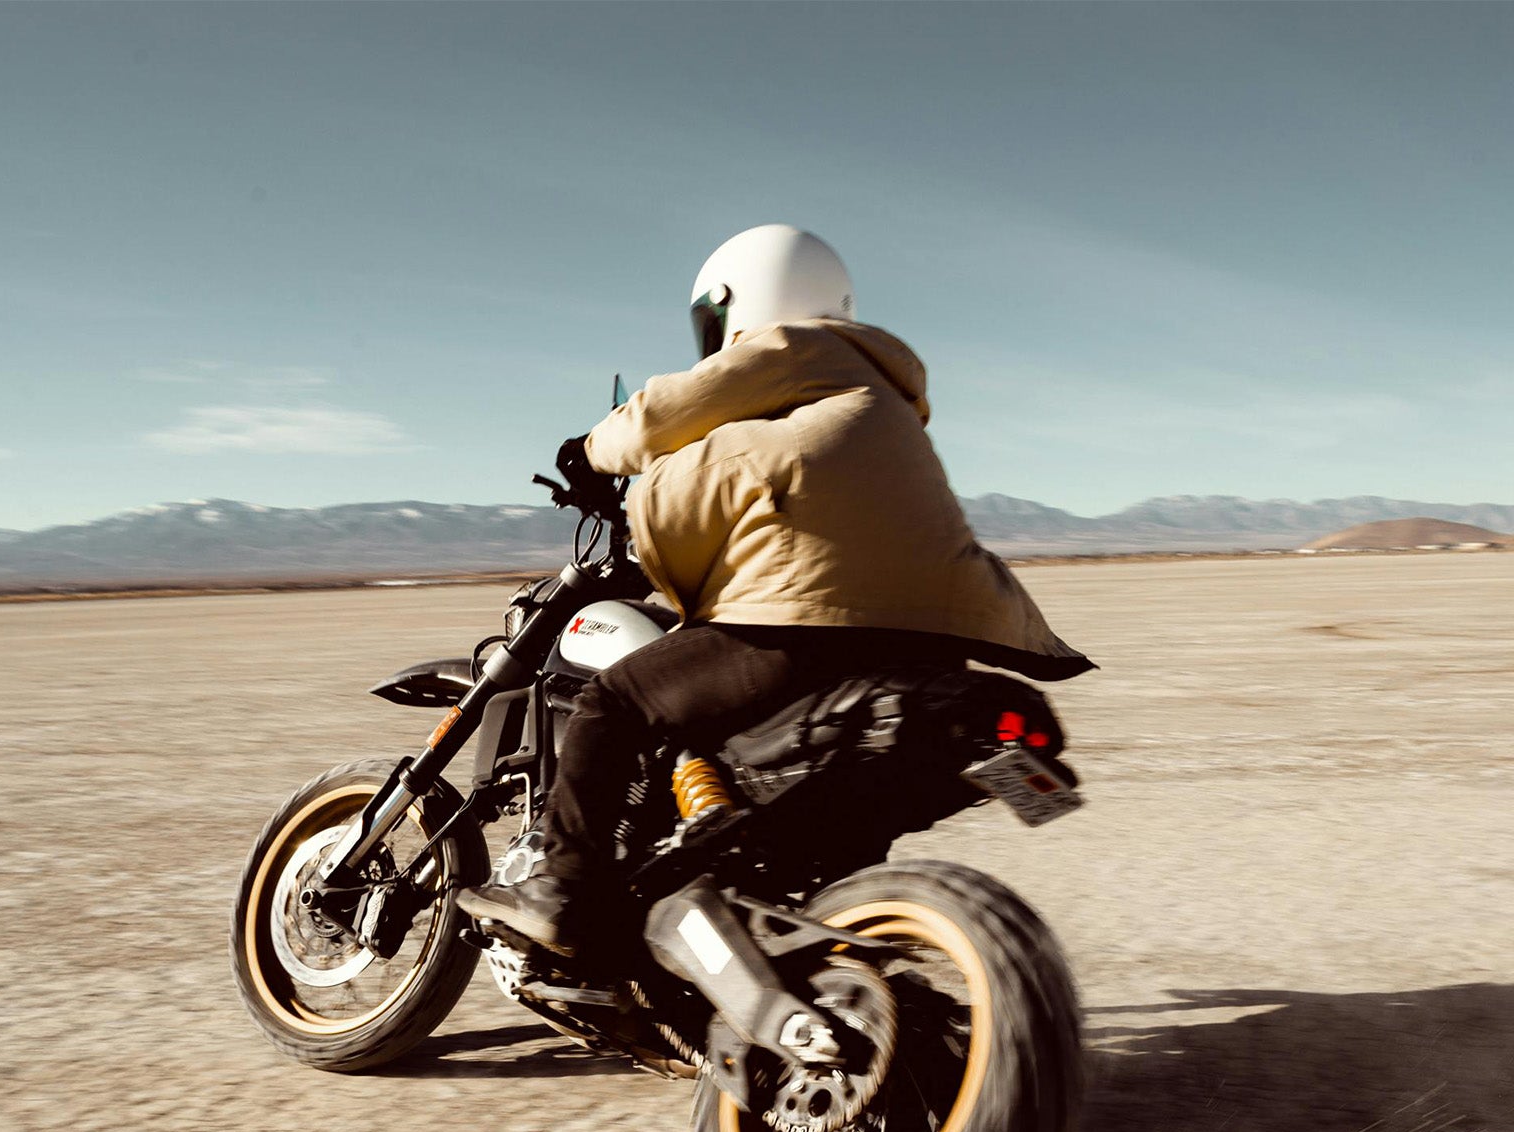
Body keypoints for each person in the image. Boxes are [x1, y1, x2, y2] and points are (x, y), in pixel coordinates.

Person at [458, 224, 1091, 955]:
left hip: (818, 627)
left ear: (737, 304)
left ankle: (561, 890)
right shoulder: (878, 399)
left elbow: (668, 410)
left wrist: (593, 451)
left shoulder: (800, 349)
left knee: (616, 701)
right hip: (939, 641)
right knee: (826, 810)